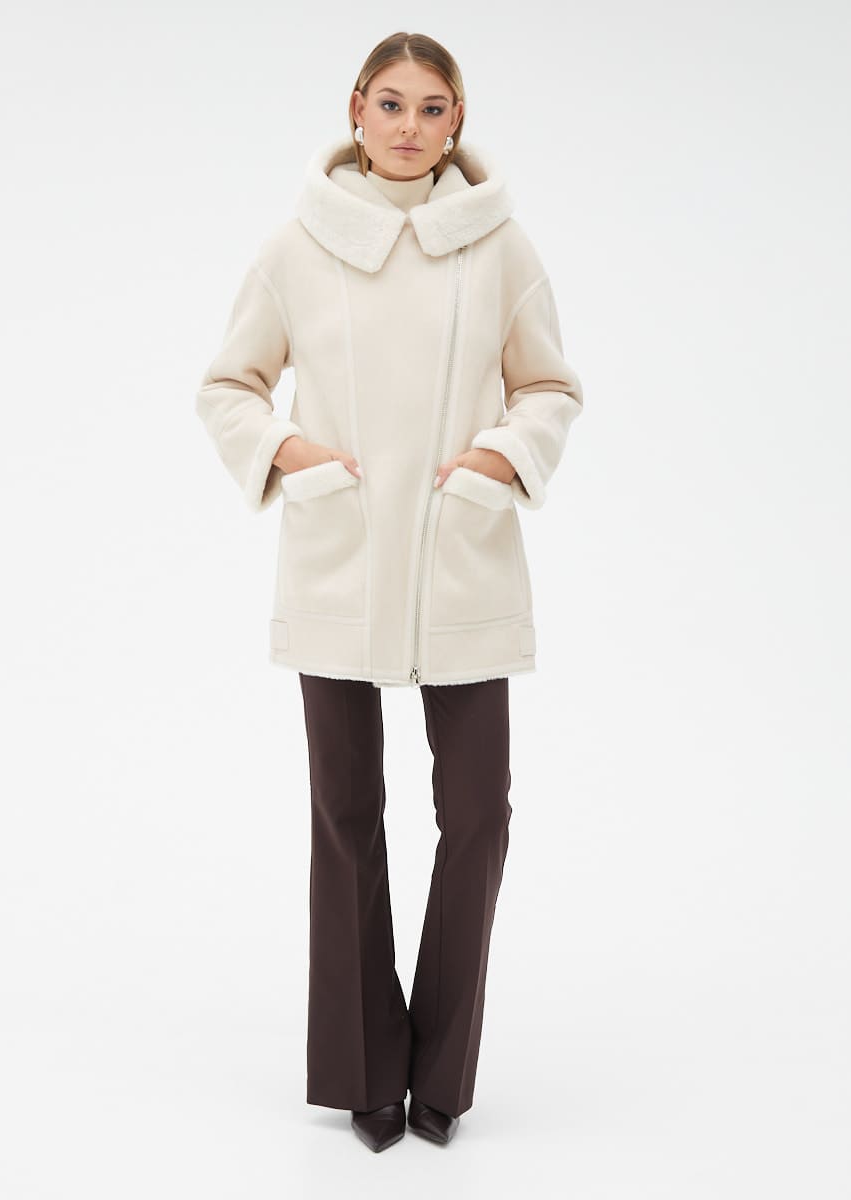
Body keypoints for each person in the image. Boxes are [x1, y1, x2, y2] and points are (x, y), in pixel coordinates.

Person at [196, 31, 583, 1153]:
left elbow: (550, 387)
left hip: (461, 558)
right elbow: (228, 385)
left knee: (479, 817)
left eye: (433, 107)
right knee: (346, 817)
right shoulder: (298, 246)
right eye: (392, 104)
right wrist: (291, 455)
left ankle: (442, 1072)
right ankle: (366, 1069)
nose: (411, 126)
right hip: (343, 555)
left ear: (457, 123)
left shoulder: (500, 246)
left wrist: (498, 461)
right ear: (357, 109)